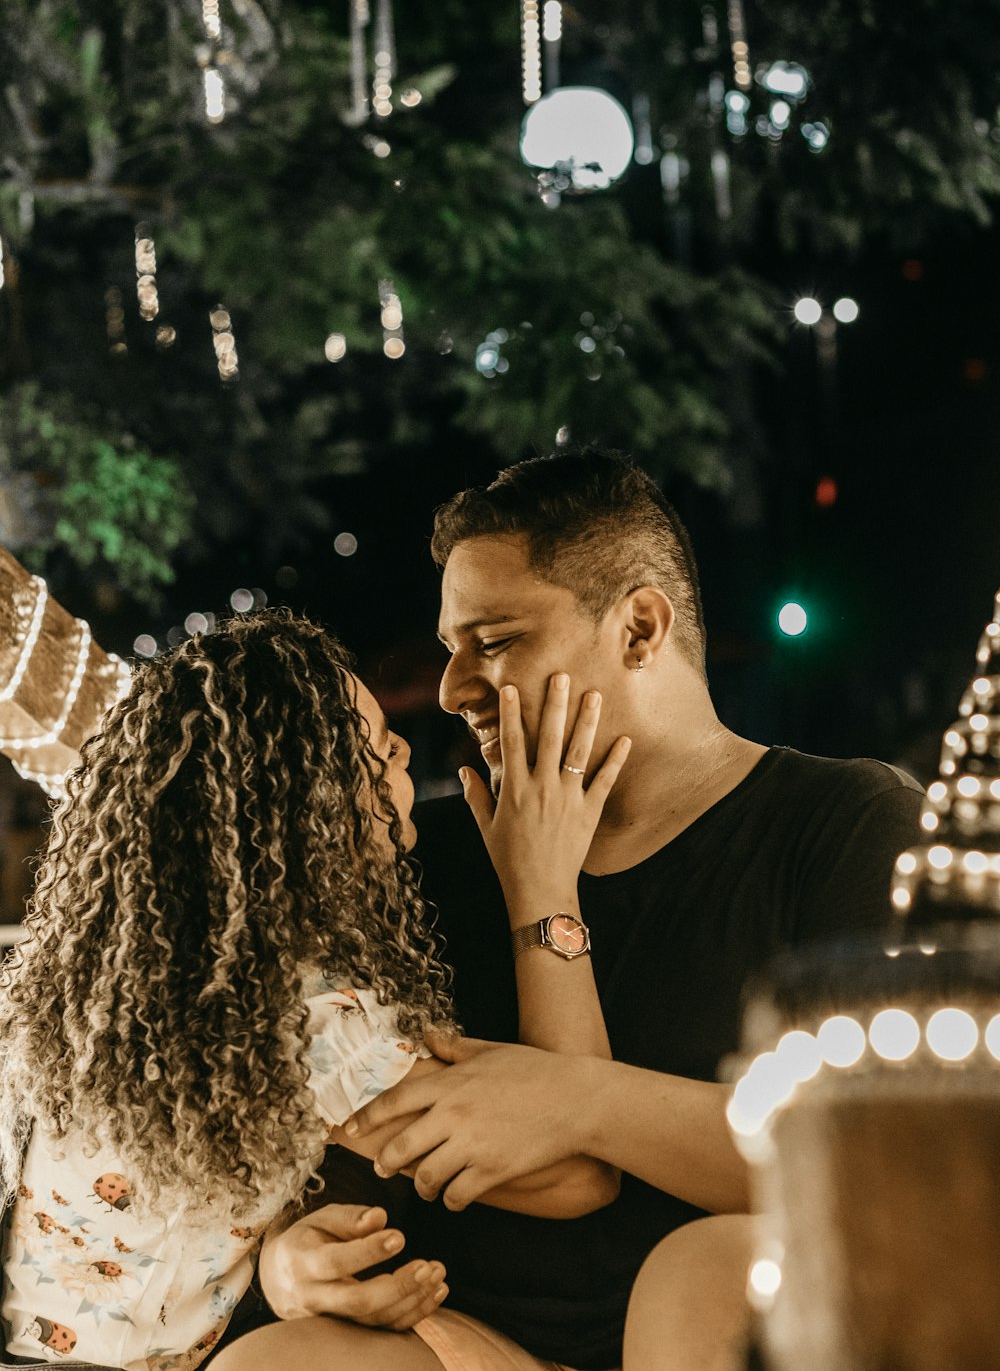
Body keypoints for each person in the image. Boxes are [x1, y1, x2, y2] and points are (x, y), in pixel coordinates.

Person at [222, 449, 924, 1371]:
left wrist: (584, 1104)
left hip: (725, 1327)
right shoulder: (419, 851)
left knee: (701, 1268)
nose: (451, 689)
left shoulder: (844, 824)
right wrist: (296, 1262)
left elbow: (882, 1162)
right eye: (449, 649)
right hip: (470, 1342)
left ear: (638, 630)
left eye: (497, 640)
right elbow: (350, 1140)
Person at [0, 610, 628, 1371]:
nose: (402, 751)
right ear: (310, 807)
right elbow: (572, 1173)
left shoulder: (82, 973)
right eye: (375, 753)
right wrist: (544, 885)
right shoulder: (303, 1015)